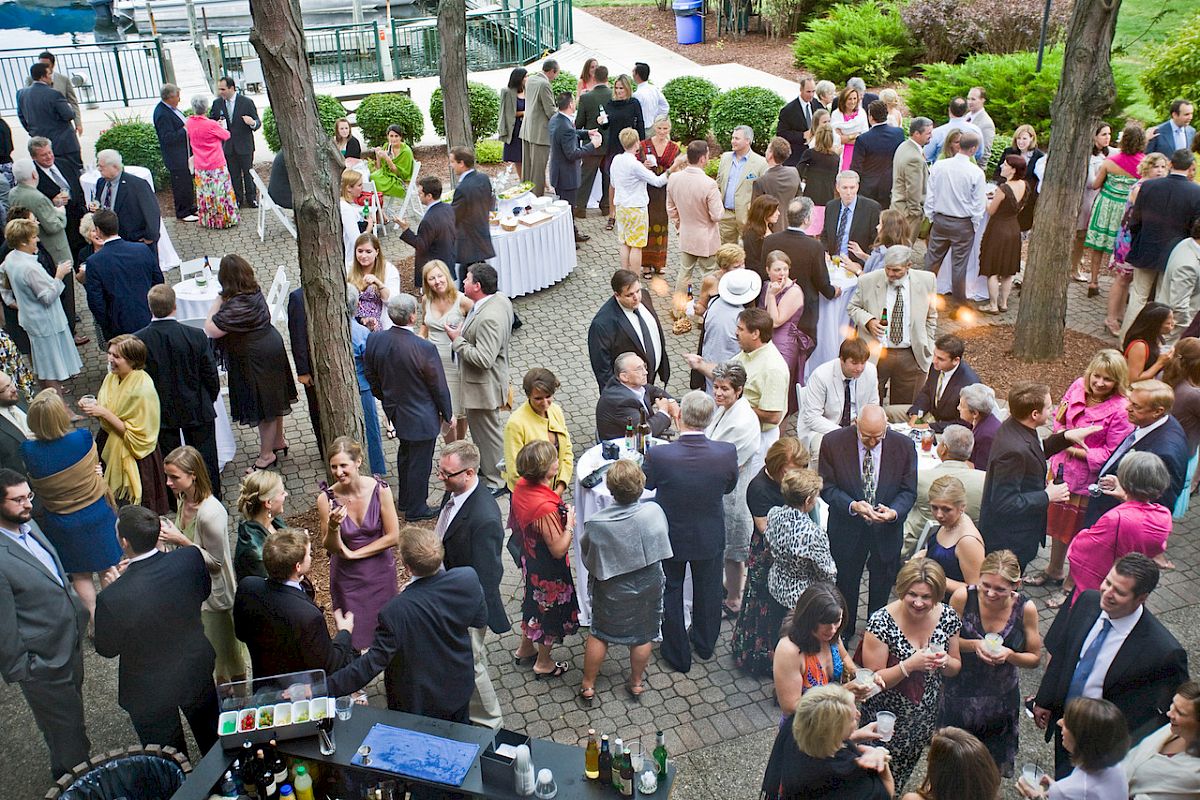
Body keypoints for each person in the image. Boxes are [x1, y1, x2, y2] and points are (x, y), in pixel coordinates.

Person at [1033, 554, 1188, 779]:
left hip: (1106, 747)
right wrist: (1045, 699)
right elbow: (1063, 652)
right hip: (1065, 726)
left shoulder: (1164, 651)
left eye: (1120, 592)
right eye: (1107, 582)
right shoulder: (1087, 601)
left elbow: (1171, 713)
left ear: (1141, 598)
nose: (1107, 593)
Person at [94, 505, 218, 760]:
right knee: (212, 738)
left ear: (124, 542)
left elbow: (107, 648)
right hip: (194, 667)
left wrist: (117, 586)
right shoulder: (190, 558)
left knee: (167, 756)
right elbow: (203, 592)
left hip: (149, 690)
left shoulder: (112, 596)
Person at [327, 525, 486, 723]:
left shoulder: (395, 611)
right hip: (458, 685)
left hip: (418, 700)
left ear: (407, 567)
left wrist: (324, 688)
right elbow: (479, 619)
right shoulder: (467, 579)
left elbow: (371, 663)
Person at [0, 468, 89, 780]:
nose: (28, 504)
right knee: (67, 740)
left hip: (69, 647)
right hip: (43, 666)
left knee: (72, 724)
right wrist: (26, 670)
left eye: (29, 496)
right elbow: (4, 627)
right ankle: (75, 782)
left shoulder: (30, 523)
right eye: (18, 499)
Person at [644, 390, 738, 674]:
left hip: (671, 535)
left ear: (680, 416)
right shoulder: (726, 452)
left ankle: (676, 652)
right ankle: (705, 644)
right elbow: (729, 487)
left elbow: (646, 485)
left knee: (671, 590)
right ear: (709, 420)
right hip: (709, 533)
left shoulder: (660, 454)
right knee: (709, 590)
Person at [1032, 350, 1133, 597]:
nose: (1099, 383)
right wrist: (1064, 438)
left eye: (1107, 379)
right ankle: (1054, 569)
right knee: (1057, 528)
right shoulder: (1078, 387)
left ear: (1117, 381)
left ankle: (1071, 583)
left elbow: (1112, 453)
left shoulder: (1121, 409)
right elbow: (1059, 419)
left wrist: (1071, 446)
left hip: (1086, 485)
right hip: (1059, 473)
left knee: (1080, 536)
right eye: (1096, 376)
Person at [861, 558, 963, 791]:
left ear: (937, 595)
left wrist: (946, 662)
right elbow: (874, 681)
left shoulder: (947, 618)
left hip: (922, 719)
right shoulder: (881, 622)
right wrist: (909, 665)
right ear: (901, 591)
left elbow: (956, 666)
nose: (918, 603)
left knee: (900, 775)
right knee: (871, 780)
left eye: (926, 597)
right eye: (912, 595)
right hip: (884, 719)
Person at [818, 404, 917, 638]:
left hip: (886, 531)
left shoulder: (903, 446)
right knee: (846, 582)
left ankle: (876, 632)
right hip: (847, 527)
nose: (872, 443)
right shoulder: (833, 442)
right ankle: (845, 630)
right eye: (866, 437)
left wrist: (893, 512)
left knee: (882, 583)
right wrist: (852, 505)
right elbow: (828, 487)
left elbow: (908, 491)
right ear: (855, 425)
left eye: (878, 437)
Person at [579, 459, 672, 702]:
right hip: (649, 581)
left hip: (612, 586)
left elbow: (588, 556)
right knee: (643, 633)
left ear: (610, 488)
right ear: (641, 485)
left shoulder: (597, 523)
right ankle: (637, 683)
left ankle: (588, 685)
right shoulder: (654, 511)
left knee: (600, 632)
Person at [21, 387, 117, 624]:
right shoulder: (82, 438)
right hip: (96, 512)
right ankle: (116, 617)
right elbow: (94, 466)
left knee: (80, 575)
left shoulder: (28, 451)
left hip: (62, 521)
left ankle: (95, 623)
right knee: (108, 568)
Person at [942, 550, 1042, 778]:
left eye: (1000, 589)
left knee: (989, 767)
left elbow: (1034, 658)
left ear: (1016, 585)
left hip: (1000, 697)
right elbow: (948, 641)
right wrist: (975, 646)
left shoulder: (1025, 609)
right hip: (961, 690)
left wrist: (1009, 655)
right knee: (952, 762)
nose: (990, 593)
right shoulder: (962, 597)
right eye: (985, 585)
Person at [978, 382, 1094, 568]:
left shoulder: (1015, 427)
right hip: (1009, 541)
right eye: (1049, 408)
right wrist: (1048, 495)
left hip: (1015, 535)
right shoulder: (1013, 451)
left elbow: (1034, 452)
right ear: (1034, 414)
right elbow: (1004, 502)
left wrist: (1066, 437)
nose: (1053, 412)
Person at [435, 441, 509, 729]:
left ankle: (490, 721)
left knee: (471, 662)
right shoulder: (455, 490)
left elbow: (488, 575)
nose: (440, 478)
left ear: (468, 473)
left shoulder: (484, 517)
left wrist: (465, 611)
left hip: (464, 604)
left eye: (447, 474)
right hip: (448, 588)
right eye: (440, 470)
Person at [158, 445, 244, 683]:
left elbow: (216, 563)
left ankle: (236, 702)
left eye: (174, 477)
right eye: (168, 476)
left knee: (226, 658)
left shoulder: (211, 513)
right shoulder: (182, 498)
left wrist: (180, 539)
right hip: (195, 593)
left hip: (215, 599)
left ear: (193, 475)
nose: (168, 482)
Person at [204, 255, 296, 473]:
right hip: (271, 345)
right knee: (274, 399)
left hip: (256, 357)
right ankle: (278, 441)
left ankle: (266, 456)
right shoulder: (253, 291)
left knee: (264, 407)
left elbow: (211, 327)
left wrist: (218, 300)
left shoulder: (235, 304)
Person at [364, 294, 449, 518]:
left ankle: (405, 500)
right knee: (420, 463)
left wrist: (383, 397)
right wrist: (447, 413)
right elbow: (438, 385)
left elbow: (370, 374)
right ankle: (416, 508)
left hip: (396, 411)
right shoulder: (423, 348)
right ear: (413, 317)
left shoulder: (375, 339)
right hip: (422, 416)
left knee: (405, 455)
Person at [733, 437, 810, 674]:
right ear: (775, 466)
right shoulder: (759, 488)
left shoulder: (791, 478)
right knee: (762, 603)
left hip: (787, 549)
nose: (792, 478)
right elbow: (765, 529)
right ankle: (760, 658)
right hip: (768, 553)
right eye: (787, 472)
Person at [136, 284, 221, 500]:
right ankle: (210, 495)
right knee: (204, 456)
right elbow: (210, 374)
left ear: (150, 308)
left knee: (169, 458)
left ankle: (175, 499)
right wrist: (208, 398)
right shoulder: (195, 336)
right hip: (196, 403)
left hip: (161, 409)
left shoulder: (139, 340)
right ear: (175, 306)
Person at [234, 527, 355, 678]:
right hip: (300, 690)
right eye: (309, 554)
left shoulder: (248, 586)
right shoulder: (308, 616)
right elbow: (329, 664)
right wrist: (345, 632)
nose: (311, 556)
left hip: (264, 680)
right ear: (297, 566)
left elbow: (241, 633)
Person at [317, 437, 400, 650]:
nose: (338, 472)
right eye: (334, 466)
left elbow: (393, 536)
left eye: (343, 465)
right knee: (353, 636)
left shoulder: (380, 489)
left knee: (388, 630)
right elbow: (330, 546)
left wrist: (356, 554)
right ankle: (354, 678)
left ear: (358, 462)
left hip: (380, 573)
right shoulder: (326, 499)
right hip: (347, 578)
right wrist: (335, 527)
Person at [687, 308, 791, 471]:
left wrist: (737, 406)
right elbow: (726, 374)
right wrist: (701, 365)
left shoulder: (773, 368)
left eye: (741, 329)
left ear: (755, 334)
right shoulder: (748, 353)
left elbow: (773, 416)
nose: (736, 333)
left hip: (757, 439)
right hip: (734, 426)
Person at [510, 440, 580, 678]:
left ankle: (525, 648)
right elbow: (559, 549)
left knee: (532, 604)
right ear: (545, 469)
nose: (557, 462)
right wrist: (569, 524)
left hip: (531, 561)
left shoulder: (521, 487)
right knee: (547, 613)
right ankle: (543, 662)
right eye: (554, 460)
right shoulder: (543, 508)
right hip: (548, 570)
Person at [1081, 379, 1189, 530]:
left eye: (1136, 406)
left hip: (1119, 527)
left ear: (1158, 411)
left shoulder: (1164, 454)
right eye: (1130, 402)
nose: (1127, 408)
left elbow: (1158, 511)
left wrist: (1125, 496)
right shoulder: (1153, 422)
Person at [79, 334, 168, 513]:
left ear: (133, 361)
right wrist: (93, 407)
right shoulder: (112, 377)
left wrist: (103, 412)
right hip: (108, 443)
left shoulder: (143, 390)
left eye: (117, 356)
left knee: (135, 507)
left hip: (136, 455)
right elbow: (111, 406)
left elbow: (138, 436)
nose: (110, 359)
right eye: (110, 353)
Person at [761, 683, 895, 800]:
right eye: (853, 719)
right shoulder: (846, 771)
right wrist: (881, 755)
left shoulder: (795, 728)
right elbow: (886, 792)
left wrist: (854, 736)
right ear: (835, 733)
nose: (858, 715)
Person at [1067, 452, 1172, 599]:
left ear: (1124, 480)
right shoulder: (1163, 515)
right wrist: (1124, 497)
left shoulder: (1116, 518)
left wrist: (1083, 533)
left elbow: (1083, 549)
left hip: (1107, 587)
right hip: (1131, 585)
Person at [447, 262, 513, 494]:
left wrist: (457, 339)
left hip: (484, 388)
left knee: (489, 435)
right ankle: (488, 468)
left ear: (477, 286)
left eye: (466, 279)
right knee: (482, 433)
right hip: (481, 386)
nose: (462, 282)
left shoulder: (490, 318)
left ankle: (498, 480)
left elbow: (484, 358)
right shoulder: (499, 299)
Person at [848, 245, 938, 406]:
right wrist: (869, 321)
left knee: (904, 410)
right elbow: (852, 307)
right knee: (869, 405)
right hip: (876, 353)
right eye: (887, 269)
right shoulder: (868, 280)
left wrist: (928, 344)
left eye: (896, 270)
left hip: (911, 355)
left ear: (908, 266)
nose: (890, 274)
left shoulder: (927, 281)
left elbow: (931, 316)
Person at [1124, 149, 1200, 337]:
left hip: (1147, 248)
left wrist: (1138, 242)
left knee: (1138, 297)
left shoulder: (1149, 186)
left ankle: (1127, 338)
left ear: (1171, 165)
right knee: (1163, 301)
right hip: (1175, 253)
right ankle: (1152, 342)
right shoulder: (1197, 192)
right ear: (1190, 167)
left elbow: (1135, 220)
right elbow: (1195, 229)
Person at [706, 362, 761, 617]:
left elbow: (725, 463)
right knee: (729, 548)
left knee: (734, 551)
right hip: (725, 492)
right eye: (716, 387)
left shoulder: (741, 421)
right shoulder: (728, 409)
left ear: (738, 390)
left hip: (734, 495)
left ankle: (735, 600)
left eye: (724, 389)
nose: (718, 393)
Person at [1, 217, 80, 392]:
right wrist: (59, 276)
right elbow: (47, 297)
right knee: (50, 369)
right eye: (33, 237)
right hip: (46, 323)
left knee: (42, 365)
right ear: (23, 242)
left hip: (33, 320)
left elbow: (4, 288)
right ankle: (60, 410)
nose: (37, 239)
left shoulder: (11, 258)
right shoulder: (28, 268)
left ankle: (56, 405)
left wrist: (20, 305)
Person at [773, 584, 869, 714]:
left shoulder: (831, 633)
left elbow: (845, 657)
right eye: (825, 623)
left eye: (837, 621)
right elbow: (791, 706)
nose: (833, 630)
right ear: (808, 619)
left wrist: (864, 678)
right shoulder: (789, 650)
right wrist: (841, 693)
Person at [762, 198, 839, 357]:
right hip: (802, 313)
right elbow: (821, 282)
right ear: (807, 219)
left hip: (773, 303)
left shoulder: (770, 240)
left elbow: (765, 272)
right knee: (797, 355)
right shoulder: (814, 246)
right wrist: (833, 292)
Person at [763, 468, 836, 637]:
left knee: (776, 634)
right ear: (808, 500)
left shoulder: (774, 514)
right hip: (802, 599)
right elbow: (827, 572)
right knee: (798, 640)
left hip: (776, 585)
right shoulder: (813, 533)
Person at [1106, 153, 1171, 337]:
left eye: (1163, 167)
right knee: (1122, 278)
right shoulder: (1140, 187)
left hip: (1138, 237)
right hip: (1129, 238)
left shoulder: (1155, 187)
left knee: (1128, 279)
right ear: (1147, 167)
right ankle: (1110, 317)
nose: (1159, 171)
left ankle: (1120, 314)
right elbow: (1142, 214)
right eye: (1155, 166)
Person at [1020, 698, 1130, 799]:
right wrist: (1056, 787)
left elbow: (1075, 792)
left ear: (1082, 738)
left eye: (1067, 723)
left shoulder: (1065, 791)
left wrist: (1035, 796)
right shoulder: (1117, 768)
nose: (1059, 723)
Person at [902, 425, 985, 558]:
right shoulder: (984, 480)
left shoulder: (920, 477)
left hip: (918, 544)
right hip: (967, 546)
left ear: (944, 449)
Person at [81, 209, 164, 342]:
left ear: (98, 230)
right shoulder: (142, 249)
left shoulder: (94, 262)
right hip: (148, 317)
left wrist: (107, 327)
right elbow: (158, 281)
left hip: (118, 326)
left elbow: (96, 302)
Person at [924, 132, 987, 307]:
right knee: (959, 265)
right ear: (973, 149)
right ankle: (959, 304)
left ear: (959, 146)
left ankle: (922, 296)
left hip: (941, 220)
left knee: (932, 260)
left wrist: (931, 216)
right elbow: (978, 205)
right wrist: (973, 224)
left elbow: (930, 194)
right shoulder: (976, 172)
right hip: (963, 223)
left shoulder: (939, 166)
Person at [1083, 123, 1146, 295]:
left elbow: (1095, 185)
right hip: (1127, 209)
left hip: (1106, 205)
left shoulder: (1110, 162)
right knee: (1124, 247)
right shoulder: (1144, 165)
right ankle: (1120, 286)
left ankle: (1093, 282)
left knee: (1098, 246)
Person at [587, 269, 669, 391]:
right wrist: (618, 399)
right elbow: (603, 371)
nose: (636, 297)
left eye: (637, 291)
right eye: (629, 295)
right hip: (628, 391)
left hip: (650, 378)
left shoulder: (644, 296)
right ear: (617, 295)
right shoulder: (602, 324)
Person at [799, 338, 880, 457]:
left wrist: (863, 425)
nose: (860, 368)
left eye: (863, 363)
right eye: (854, 363)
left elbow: (873, 405)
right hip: (823, 428)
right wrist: (843, 433)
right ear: (842, 360)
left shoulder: (870, 371)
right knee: (820, 451)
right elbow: (812, 417)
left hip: (857, 426)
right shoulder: (821, 375)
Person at [419, 260, 471, 442]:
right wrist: (418, 340)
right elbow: (425, 324)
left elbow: (476, 327)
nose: (437, 281)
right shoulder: (426, 300)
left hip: (456, 364)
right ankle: (451, 448)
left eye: (440, 276)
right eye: (432, 278)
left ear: (447, 276)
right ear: (427, 282)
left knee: (460, 410)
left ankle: (460, 445)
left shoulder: (463, 301)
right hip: (434, 365)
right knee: (444, 411)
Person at [1122, 680, 1200, 799]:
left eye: (1179, 712)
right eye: (1173, 704)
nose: (1169, 713)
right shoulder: (1168, 731)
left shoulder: (1194, 773)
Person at [611, 127, 674, 273]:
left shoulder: (616, 159)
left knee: (624, 243)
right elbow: (658, 182)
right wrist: (672, 169)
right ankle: (634, 276)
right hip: (636, 208)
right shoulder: (635, 165)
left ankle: (624, 272)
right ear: (637, 143)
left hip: (621, 206)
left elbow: (613, 183)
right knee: (636, 245)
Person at [667, 140, 724, 298]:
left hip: (686, 233)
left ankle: (678, 309)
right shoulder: (709, 184)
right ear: (703, 159)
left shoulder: (674, 178)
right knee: (709, 275)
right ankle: (704, 311)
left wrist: (680, 226)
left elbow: (671, 209)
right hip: (707, 238)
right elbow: (717, 215)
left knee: (684, 273)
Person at [912, 476, 984, 599]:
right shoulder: (950, 523)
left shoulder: (968, 541)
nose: (939, 515)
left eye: (946, 509)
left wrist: (930, 576)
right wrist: (923, 554)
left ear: (962, 507)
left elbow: (976, 589)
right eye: (934, 507)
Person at [504, 368, 572, 496]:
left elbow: (567, 450)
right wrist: (543, 496)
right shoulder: (515, 424)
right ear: (528, 395)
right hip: (530, 496)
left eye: (548, 396)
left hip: (554, 491)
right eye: (538, 398)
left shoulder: (555, 410)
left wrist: (561, 486)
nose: (545, 403)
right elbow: (514, 471)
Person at [977, 155, 1029, 314]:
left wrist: (984, 199)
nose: (1001, 166)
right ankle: (1004, 303)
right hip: (1014, 228)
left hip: (998, 229)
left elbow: (991, 211)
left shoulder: (1003, 188)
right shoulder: (1025, 185)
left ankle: (993, 305)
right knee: (1007, 269)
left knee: (993, 268)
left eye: (1005, 165)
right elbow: (1019, 207)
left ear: (1013, 169)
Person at [548, 91, 600, 244]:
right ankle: (568, 240)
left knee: (567, 207)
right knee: (568, 209)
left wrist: (586, 133)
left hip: (558, 171)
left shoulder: (556, 119)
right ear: (571, 104)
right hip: (567, 175)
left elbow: (570, 135)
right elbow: (572, 153)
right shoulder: (565, 126)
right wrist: (592, 145)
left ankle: (573, 233)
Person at [761, 249, 809, 411]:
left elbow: (775, 321)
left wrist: (772, 296)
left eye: (785, 269)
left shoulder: (794, 291)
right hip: (765, 342)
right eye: (777, 270)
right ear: (767, 270)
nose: (782, 274)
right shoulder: (768, 286)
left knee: (780, 397)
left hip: (784, 345)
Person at [15, 63, 81, 179]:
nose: (51, 77)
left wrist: (32, 131)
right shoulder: (54, 94)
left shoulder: (21, 94)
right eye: (50, 74)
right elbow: (68, 115)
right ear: (43, 76)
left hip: (40, 143)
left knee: (50, 176)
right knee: (75, 173)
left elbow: (21, 117)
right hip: (64, 143)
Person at [185, 94, 241, 229]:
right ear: (206, 108)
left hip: (200, 164)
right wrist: (220, 125)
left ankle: (208, 220)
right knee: (221, 192)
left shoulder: (189, 122)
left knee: (206, 193)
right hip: (215, 164)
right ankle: (224, 219)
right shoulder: (211, 124)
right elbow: (226, 135)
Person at [904, 334, 980, 430]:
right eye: (934, 355)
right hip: (928, 415)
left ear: (956, 360)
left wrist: (928, 427)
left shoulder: (969, 384)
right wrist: (916, 414)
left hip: (948, 429)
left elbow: (964, 423)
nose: (934, 361)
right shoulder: (937, 366)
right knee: (889, 412)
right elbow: (927, 391)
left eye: (940, 359)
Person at [600, 75, 646, 232]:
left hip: (631, 145)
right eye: (617, 88)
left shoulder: (634, 103)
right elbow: (606, 126)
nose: (619, 91)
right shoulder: (609, 104)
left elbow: (640, 123)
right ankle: (612, 215)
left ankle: (631, 210)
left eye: (622, 88)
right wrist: (602, 122)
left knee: (633, 178)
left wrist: (640, 145)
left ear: (627, 88)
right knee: (612, 181)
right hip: (614, 145)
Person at [595, 351, 674, 441]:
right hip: (627, 449)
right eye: (639, 369)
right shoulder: (621, 402)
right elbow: (645, 432)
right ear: (624, 377)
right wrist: (663, 411)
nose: (646, 372)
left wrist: (672, 401)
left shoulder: (633, 384)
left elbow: (654, 390)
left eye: (644, 366)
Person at [92, 149, 161, 252]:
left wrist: (150, 236)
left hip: (135, 242)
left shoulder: (137, 185)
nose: (99, 169)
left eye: (102, 167)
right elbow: (99, 201)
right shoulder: (101, 183)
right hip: (110, 243)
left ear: (114, 167)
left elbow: (152, 212)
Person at [8, 158, 70, 268]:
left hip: (29, 247)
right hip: (54, 253)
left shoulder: (13, 193)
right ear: (34, 174)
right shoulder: (38, 198)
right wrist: (60, 212)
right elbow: (54, 226)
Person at [209, 76, 260, 208]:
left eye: (223, 89)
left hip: (244, 145)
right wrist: (216, 123)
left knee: (248, 173)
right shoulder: (217, 103)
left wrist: (252, 123)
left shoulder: (246, 102)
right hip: (228, 146)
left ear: (231, 88)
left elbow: (257, 122)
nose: (221, 92)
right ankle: (237, 199)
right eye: (219, 89)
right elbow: (211, 120)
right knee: (234, 174)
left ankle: (252, 198)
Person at [638, 115, 680, 275]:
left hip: (665, 192)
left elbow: (679, 167)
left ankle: (658, 262)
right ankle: (645, 264)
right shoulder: (644, 145)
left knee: (662, 226)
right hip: (647, 190)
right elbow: (634, 166)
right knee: (647, 225)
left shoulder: (674, 148)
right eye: (659, 128)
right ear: (654, 127)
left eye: (666, 128)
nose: (662, 131)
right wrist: (643, 165)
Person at [285, 287, 323, 461]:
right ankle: (324, 450)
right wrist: (302, 371)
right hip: (313, 366)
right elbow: (297, 336)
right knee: (317, 409)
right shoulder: (298, 297)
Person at [398, 177, 456, 288]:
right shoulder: (448, 208)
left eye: (420, 193)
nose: (418, 196)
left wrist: (405, 229)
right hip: (448, 259)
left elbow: (421, 245)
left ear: (429, 196)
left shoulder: (428, 220)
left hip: (434, 267)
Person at [449, 147, 495, 286]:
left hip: (468, 241)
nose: (451, 166)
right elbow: (490, 200)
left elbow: (453, 216)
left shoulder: (462, 189)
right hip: (481, 234)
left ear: (461, 163)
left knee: (468, 278)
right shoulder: (483, 178)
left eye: (452, 162)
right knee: (480, 273)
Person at [716, 126, 769, 246]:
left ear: (748, 141)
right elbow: (718, 183)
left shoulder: (761, 163)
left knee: (748, 250)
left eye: (737, 138)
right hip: (726, 216)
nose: (732, 141)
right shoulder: (725, 158)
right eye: (732, 137)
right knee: (726, 252)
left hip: (747, 217)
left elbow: (764, 193)